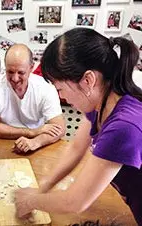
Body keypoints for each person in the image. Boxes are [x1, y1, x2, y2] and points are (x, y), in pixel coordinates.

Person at [14, 28, 142, 225]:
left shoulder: (123, 126)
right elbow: (76, 148)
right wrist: (44, 186)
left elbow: (75, 201)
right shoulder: (102, 104)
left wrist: (30, 200)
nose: (61, 96)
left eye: (60, 89)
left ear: (88, 80)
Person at [0, 44, 65, 153]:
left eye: (21, 73)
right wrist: (31, 132)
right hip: (1, 143)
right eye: (10, 72)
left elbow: (59, 128)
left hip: (36, 145)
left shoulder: (45, 87)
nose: (15, 79)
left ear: (31, 68)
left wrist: (35, 142)